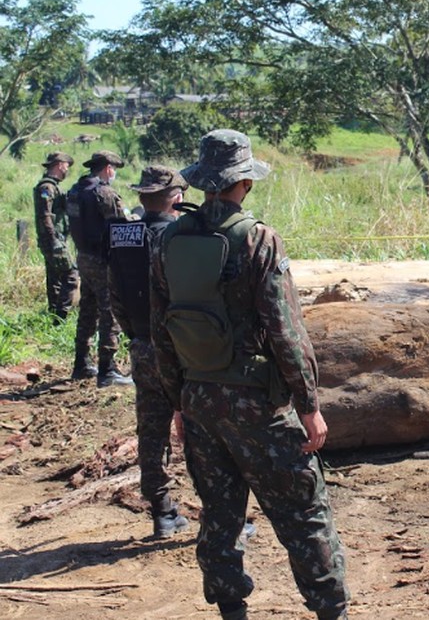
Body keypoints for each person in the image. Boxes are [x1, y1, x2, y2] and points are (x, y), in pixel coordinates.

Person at [149, 130, 349, 620]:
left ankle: (232, 609)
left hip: (199, 400)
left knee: (219, 514)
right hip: (257, 404)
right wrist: (309, 407)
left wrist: (179, 401)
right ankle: (331, 610)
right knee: (304, 514)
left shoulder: (169, 238)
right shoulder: (258, 239)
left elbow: (160, 333)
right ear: (244, 182)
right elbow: (286, 331)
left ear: (201, 182)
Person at [107, 166, 191, 539]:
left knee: (151, 431)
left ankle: (162, 510)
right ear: (176, 197)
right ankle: (224, 514)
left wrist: (136, 336)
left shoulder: (123, 237)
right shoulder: (177, 237)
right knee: (201, 430)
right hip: (181, 348)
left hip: (142, 346)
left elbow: (115, 295)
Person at [66, 150, 134, 387]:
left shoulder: (75, 191)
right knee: (110, 311)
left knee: (87, 309)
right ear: (107, 168)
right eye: (113, 169)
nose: (113, 173)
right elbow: (121, 226)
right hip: (103, 260)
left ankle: (81, 362)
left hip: (83, 257)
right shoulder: (104, 193)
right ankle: (107, 368)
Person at [33, 151, 79, 321]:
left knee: (54, 276)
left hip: (53, 238)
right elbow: (45, 215)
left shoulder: (52, 186)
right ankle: (62, 314)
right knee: (71, 274)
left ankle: (54, 313)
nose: (67, 169)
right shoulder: (47, 187)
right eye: (66, 166)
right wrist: (53, 239)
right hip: (53, 239)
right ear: (60, 165)